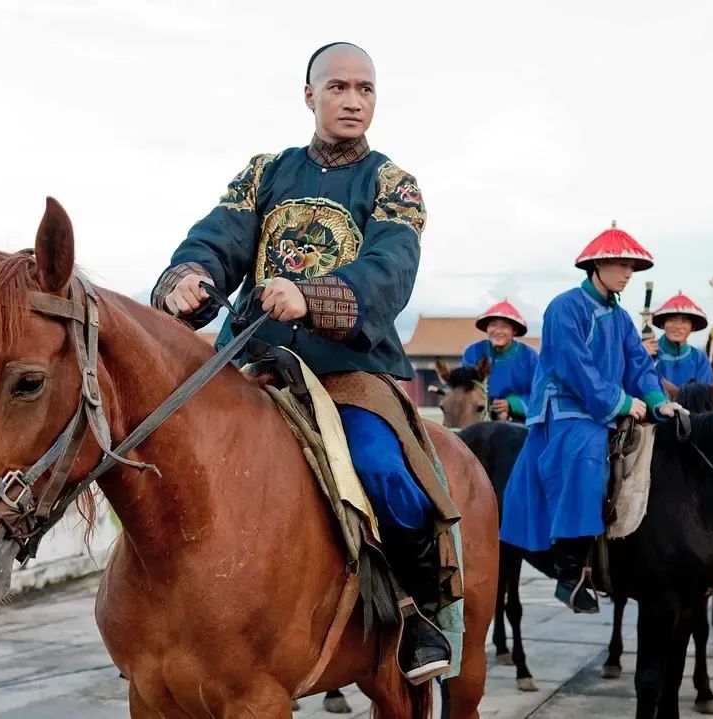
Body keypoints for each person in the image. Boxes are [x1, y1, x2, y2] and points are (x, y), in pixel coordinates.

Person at [151, 41, 458, 684]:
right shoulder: (265, 172)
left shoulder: (394, 184)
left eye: (366, 89)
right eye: (339, 87)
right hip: (252, 361)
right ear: (310, 95)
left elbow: (390, 269)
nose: (353, 100)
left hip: (347, 370)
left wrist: (312, 296)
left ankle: (417, 607)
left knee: (382, 468)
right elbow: (220, 237)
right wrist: (189, 276)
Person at [499, 222, 683, 613]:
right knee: (587, 457)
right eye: (620, 264)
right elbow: (574, 367)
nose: (628, 272)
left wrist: (657, 400)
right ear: (595, 266)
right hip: (565, 409)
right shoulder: (566, 307)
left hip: (600, 408)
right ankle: (570, 574)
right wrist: (620, 402)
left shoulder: (620, 318)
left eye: (632, 266)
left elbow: (638, 363)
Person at [462, 300, 538, 421]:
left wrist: (512, 404)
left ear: (514, 331)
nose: (497, 331)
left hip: (519, 421)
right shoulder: (473, 352)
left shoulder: (529, 357)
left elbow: (540, 394)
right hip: (478, 414)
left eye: (504, 326)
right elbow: (465, 387)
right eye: (493, 325)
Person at [642, 292, 713, 386]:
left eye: (684, 321)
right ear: (662, 324)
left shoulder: (699, 359)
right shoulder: (647, 351)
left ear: (692, 327)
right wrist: (639, 356)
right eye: (672, 320)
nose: (678, 326)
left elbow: (706, 393)